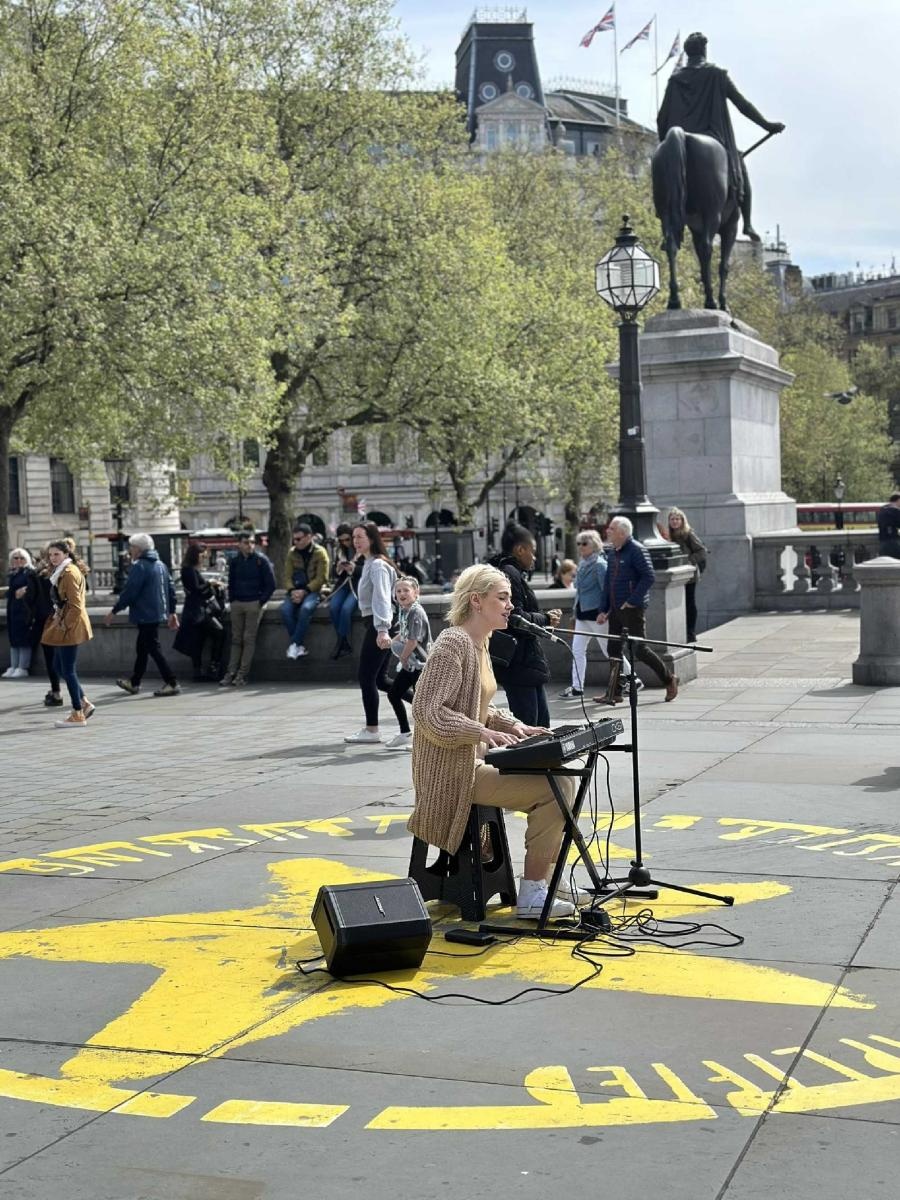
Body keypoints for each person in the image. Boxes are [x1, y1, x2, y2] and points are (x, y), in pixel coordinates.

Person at [408, 564, 577, 920]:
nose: (510, 605)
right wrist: (481, 733)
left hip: (473, 764)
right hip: (452, 775)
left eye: (510, 598)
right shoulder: (452, 644)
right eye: (502, 597)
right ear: (476, 601)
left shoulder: (480, 644)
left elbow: (481, 706)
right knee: (556, 786)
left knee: (560, 777)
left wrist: (516, 726)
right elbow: (426, 711)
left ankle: (545, 879)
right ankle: (533, 892)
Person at [657, 31, 784, 242]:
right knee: (740, 165)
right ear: (704, 50)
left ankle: (667, 222)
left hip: (677, 146)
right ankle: (748, 223)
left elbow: (662, 118)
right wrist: (767, 125)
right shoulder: (717, 74)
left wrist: (665, 149)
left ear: (687, 53)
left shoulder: (675, 80)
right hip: (713, 136)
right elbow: (743, 105)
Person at [595, 516, 679, 705]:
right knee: (613, 648)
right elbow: (608, 583)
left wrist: (633, 601)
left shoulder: (636, 550)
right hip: (616, 609)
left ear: (622, 533)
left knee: (639, 649)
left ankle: (668, 679)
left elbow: (648, 577)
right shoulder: (613, 552)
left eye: (612, 529)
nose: (607, 531)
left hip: (632, 609)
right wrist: (603, 609)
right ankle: (614, 693)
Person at [492, 522, 560, 728]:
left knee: (539, 725)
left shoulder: (507, 571)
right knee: (531, 725)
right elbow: (515, 617)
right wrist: (546, 619)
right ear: (520, 549)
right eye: (533, 551)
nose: (534, 557)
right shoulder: (509, 574)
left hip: (524, 661)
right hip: (520, 660)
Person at [559, 530, 634, 700]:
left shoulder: (600, 564)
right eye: (578, 543)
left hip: (597, 615)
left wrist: (606, 612)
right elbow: (578, 592)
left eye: (584, 543)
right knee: (577, 650)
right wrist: (574, 612)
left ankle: (632, 677)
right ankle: (577, 687)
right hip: (582, 615)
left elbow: (607, 591)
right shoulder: (583, 564)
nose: (580, 547)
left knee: (609, 650)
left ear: (594, 544)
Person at [104, 533, 181, 697]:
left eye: (131, 547)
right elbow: (171, 589)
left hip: (145, 613)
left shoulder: (139, 566)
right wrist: (172, 611)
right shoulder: (160, 564)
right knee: (143, 648)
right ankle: (134, 682)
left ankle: (172, 682)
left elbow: (130, 592)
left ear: (138, 549)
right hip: (157, 613)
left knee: (152, 648)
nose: (129, 551)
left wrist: (114, 610)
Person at [343, 522, 397, 744]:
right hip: (375, 624)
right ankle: (427, 704)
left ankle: (372, 730)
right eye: (353, 537)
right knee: (382, 680)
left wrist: (382, 629)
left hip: (378, 625)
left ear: (372, 539)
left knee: (367, 677)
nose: (355, 541)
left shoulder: (377, 566)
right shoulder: (368, 563)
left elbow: (382, 598)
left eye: (360, 537)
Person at [41, 540, 94, 727]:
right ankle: (84, 703)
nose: (52, 558)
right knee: (59, 666)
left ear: (66, 554)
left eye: (56, 554)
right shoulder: (61, 572)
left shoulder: (69, 573)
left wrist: (65, 625)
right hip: (66, 623)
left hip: (70, 626)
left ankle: (77, 713)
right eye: (50, 554)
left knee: (68, 669)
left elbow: (76, 605)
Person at [384, 575, 432, 751]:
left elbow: (412, 641)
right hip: (412, 663)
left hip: (420, 663)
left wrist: (402, 658)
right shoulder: (404, 610)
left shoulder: (415, 612)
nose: (402, 593)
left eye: (406, 590)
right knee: (394, 694)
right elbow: (404, 634)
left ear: (416, 592)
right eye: (398, 591)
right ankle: (405, 733)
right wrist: (390, 641)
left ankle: (425, 740)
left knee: (420, 704)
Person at [221, 532, 276, 687]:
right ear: (239, 544)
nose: (250, 545)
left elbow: (271, 584)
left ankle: (242, 674)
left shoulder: (261, 560)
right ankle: (231, 672)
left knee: (248, 638)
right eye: (246, 542)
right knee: (236, 638)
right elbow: (231, 581)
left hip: (253, 602)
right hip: (238, 602)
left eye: (252, 542)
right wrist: (232, 599)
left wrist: (260, 601)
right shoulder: (235, 561)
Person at [173, 542, 227, 681]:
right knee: (218, 632)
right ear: (195, 555)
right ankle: (213, 666)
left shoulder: (190, 569)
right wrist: (211, 584)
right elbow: (197, 590)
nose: (204, 557)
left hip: (196, 610)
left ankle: (199, 671)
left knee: (198, 640)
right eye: (202, 555)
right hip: (197, 611)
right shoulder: (188, 570)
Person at [281, 523, 329, 660]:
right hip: (294, 590)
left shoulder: (320, 552)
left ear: (309, 537)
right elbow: (287, 576)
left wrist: (305, 591)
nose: (295, 542)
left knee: (306, 609)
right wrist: (292, 591)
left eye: (298, 539)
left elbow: (322, 578)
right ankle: (299, 646)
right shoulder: (291, 553)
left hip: (313, 591)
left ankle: (294, 644)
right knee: (285, 610)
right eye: (294, 539)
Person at [665, 508, 707, 643]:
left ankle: (690, 632)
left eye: (677, 519)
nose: (675, 522)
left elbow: (702, 551)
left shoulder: (688, 534)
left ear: (682, 521)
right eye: (672, 519)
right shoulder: (667, 536)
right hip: (676, 575)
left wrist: (688, 561)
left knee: (689, 603)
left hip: (689, 575)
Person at [32, 546, 63, 706]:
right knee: (61, 658)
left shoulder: (40, 574)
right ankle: (60, 691)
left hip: (46, 619)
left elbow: (33, 597)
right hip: (61, 617)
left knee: (51, 657)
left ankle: (56, 692)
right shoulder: (63, 571)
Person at [3, 548, 38, 679]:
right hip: (13, 609)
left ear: (26, 560)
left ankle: (22, 667)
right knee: (13, 638)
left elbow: (35, 587)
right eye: (15, 558)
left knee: (23, 639)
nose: (18, 561)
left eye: (21, 558)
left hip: (24, 610)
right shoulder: (13, 573)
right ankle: (14, 665)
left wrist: (26, 589)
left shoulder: (29, 573)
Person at [327, 523, 358, 658]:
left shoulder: (360, 548)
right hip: (343, 584)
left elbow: (369, 568)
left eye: (347, 539)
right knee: (333, 607)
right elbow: (333, 573)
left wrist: (354, 568)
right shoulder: (340, 551)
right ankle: (343, 642)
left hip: (357, 586)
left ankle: (340, 642)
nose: (345, 543)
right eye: (341, 540)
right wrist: (339, 568)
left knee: (346, 609)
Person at [877, 493, 900, 559]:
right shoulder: (896, 511)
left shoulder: (882, 509)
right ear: (898, 500)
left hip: (883, 540)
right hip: (893, 540)